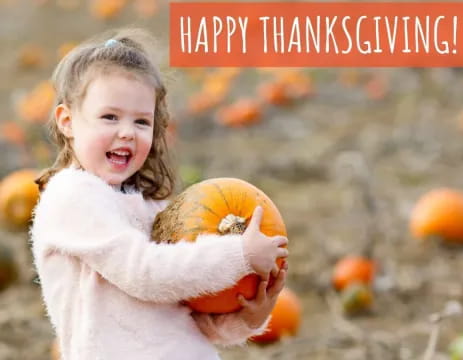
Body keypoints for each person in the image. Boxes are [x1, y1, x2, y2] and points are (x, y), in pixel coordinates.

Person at [29, 28, 289, 360]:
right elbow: (144, 273)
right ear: (67, 121)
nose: (126, 132)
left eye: (141, 122)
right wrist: (238, 255)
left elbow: (188, 315)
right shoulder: (72, 196)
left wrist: (249, 315)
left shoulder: (150, 206)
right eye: (110, 117)